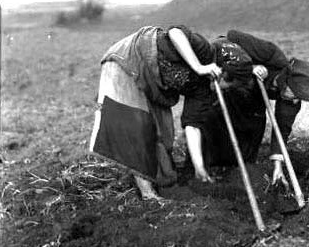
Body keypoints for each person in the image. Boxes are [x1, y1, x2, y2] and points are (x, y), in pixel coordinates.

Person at [90, 25, 222, 200]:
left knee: (164, 131)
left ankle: (164, 182)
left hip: (155, 85)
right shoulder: (203, 51)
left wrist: (199, 168)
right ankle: (147, 193)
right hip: (130, 61)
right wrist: (198, 66)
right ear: (219, 68)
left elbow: (192, 125)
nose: (220, 85)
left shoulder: (203, 91)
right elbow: (175, 33)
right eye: (224, 79)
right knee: (137, 127)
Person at [184, 30, 309, 186]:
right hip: (231, 78)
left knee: (255, 124)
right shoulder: (271, 53)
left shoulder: (291, 100)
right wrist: (250, 67)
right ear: (286, 80)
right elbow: (231, 37)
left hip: (254, 96)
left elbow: (281, 129)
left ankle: (239, 171)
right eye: (294, 93)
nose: (295, 99)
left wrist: (278, 168)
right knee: (216, 118)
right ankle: (202, 168)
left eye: (299, 98)